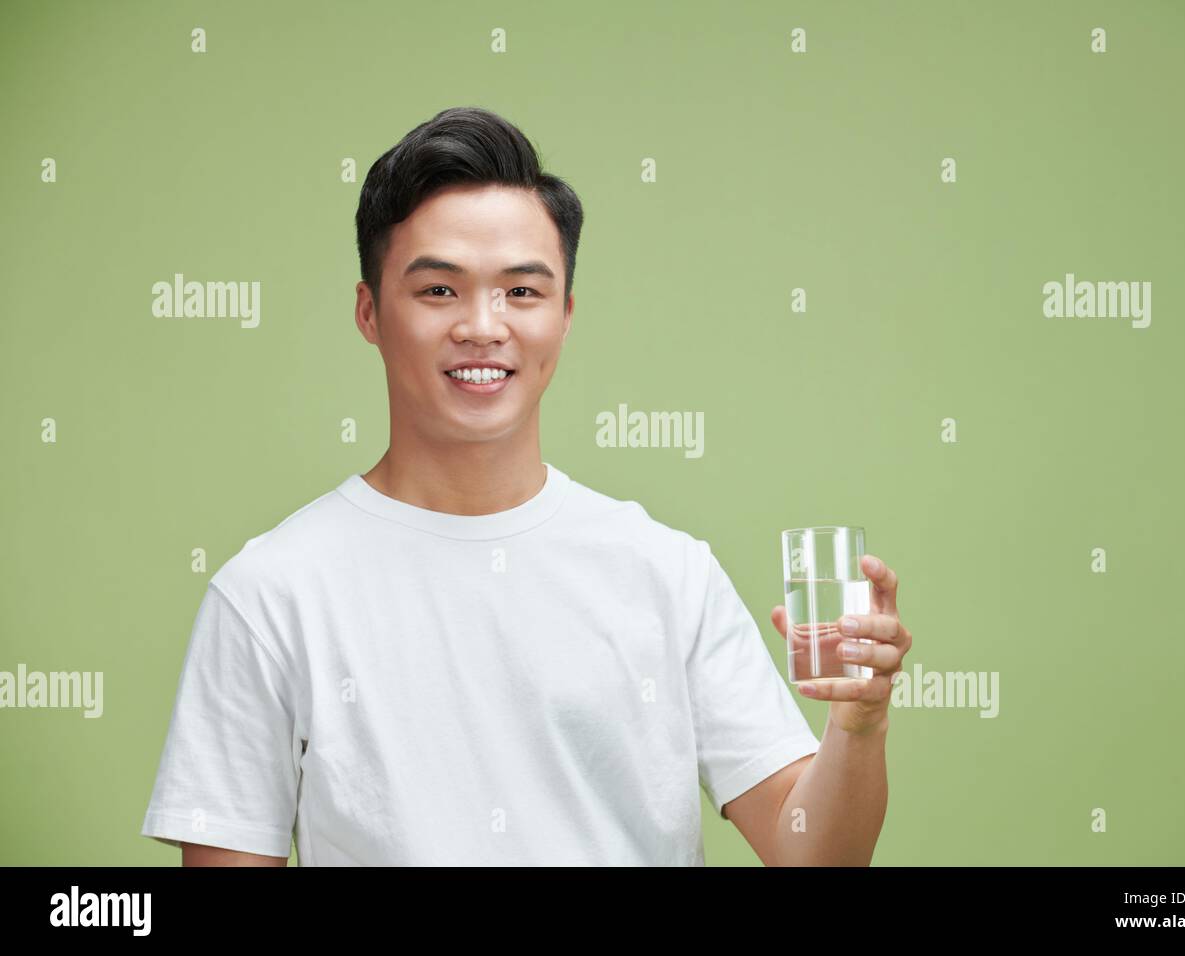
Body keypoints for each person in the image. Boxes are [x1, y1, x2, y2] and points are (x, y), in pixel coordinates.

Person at [139, 106, 910, 866]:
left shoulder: (667, 573)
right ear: (370, 312)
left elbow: (816, 857)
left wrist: (858, 727)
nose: (483, 326)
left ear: (566, 316)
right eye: (439, 290)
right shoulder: (269, 596)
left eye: (522, 291)